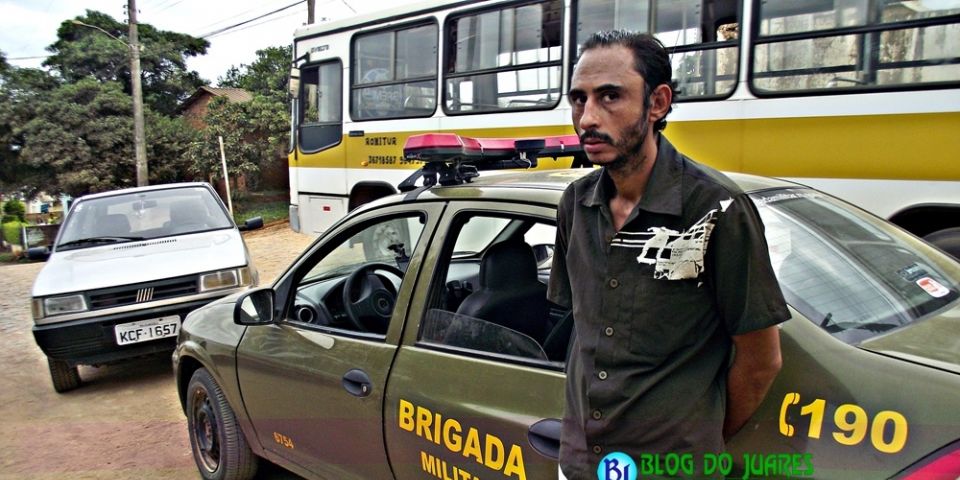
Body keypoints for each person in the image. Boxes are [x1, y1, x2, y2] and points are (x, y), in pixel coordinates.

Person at [547, 30, 790, 478]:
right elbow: (584, 337)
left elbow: (760, 361)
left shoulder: (716, 211)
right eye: (579, 99)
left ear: (657, 103)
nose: (587, 118)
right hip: (581, 463)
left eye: (610, 97)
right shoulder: (575, 205)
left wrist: (697, 443)